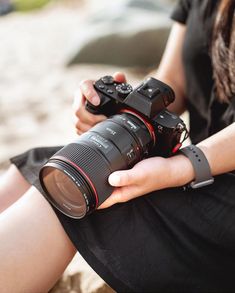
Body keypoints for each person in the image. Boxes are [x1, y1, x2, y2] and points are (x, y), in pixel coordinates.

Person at [0, 0, 235, 292]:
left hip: (217, 187)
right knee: (46, 165)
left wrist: (183, 166)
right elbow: (171, 83)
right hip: (198, 168)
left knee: (76, 190)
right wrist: (121, 107)